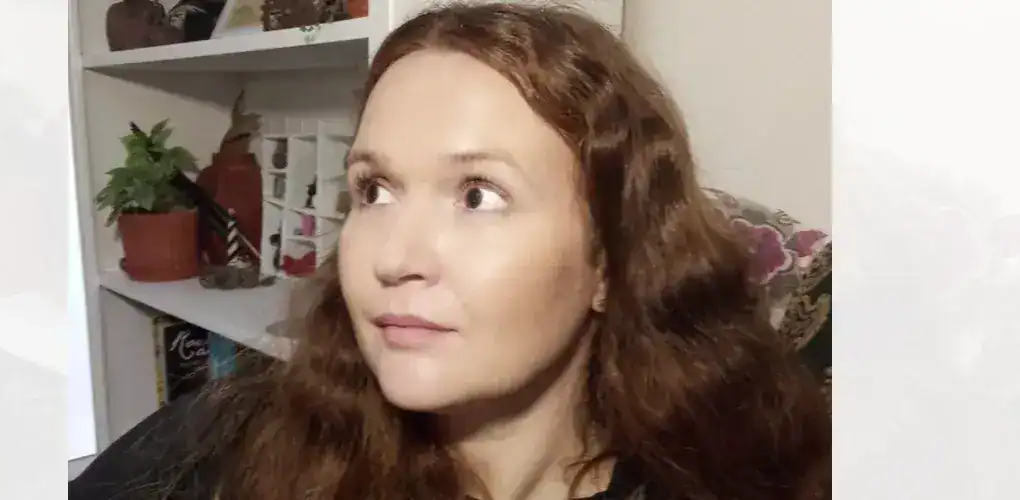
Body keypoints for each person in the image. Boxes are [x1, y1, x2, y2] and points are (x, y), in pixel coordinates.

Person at [69, 3, 831, 499]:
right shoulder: (231, 447)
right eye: (374, 190)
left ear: (609, 258)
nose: (393, 257)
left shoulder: (735, 474)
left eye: (476, 196)